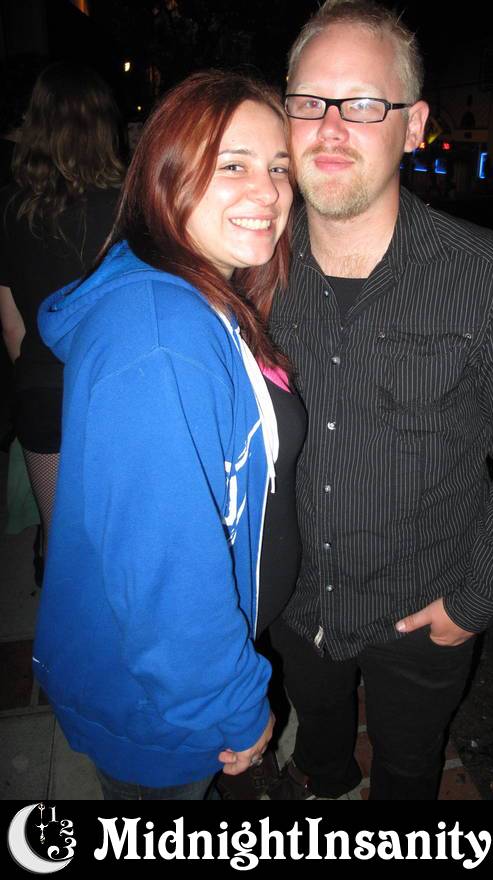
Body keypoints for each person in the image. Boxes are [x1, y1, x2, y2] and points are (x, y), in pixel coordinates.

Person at [268, 0, 493, 801]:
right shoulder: (252, 267)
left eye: (365, 103)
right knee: (319, 745)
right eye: (310, 101)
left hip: (423, 612)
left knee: (407, 771)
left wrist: (472, 604)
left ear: (414, 126)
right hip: (294, 601)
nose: (332, 127)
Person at [32, 70, 302, 800]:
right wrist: (233, 707)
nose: (269, 191)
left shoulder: (193, 294)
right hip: (163, 701)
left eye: (279, 167)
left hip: (167, 685)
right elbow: (164, 569)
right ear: (166, 173)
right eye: (234, 165)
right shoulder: (161, 337)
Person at [0, 62, 123, 564]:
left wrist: (34, 377)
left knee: (60, 540)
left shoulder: (9, 208)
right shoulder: (127, 206)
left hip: (43, 392)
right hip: (113, 393)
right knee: (115, 535)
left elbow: (12, 323)